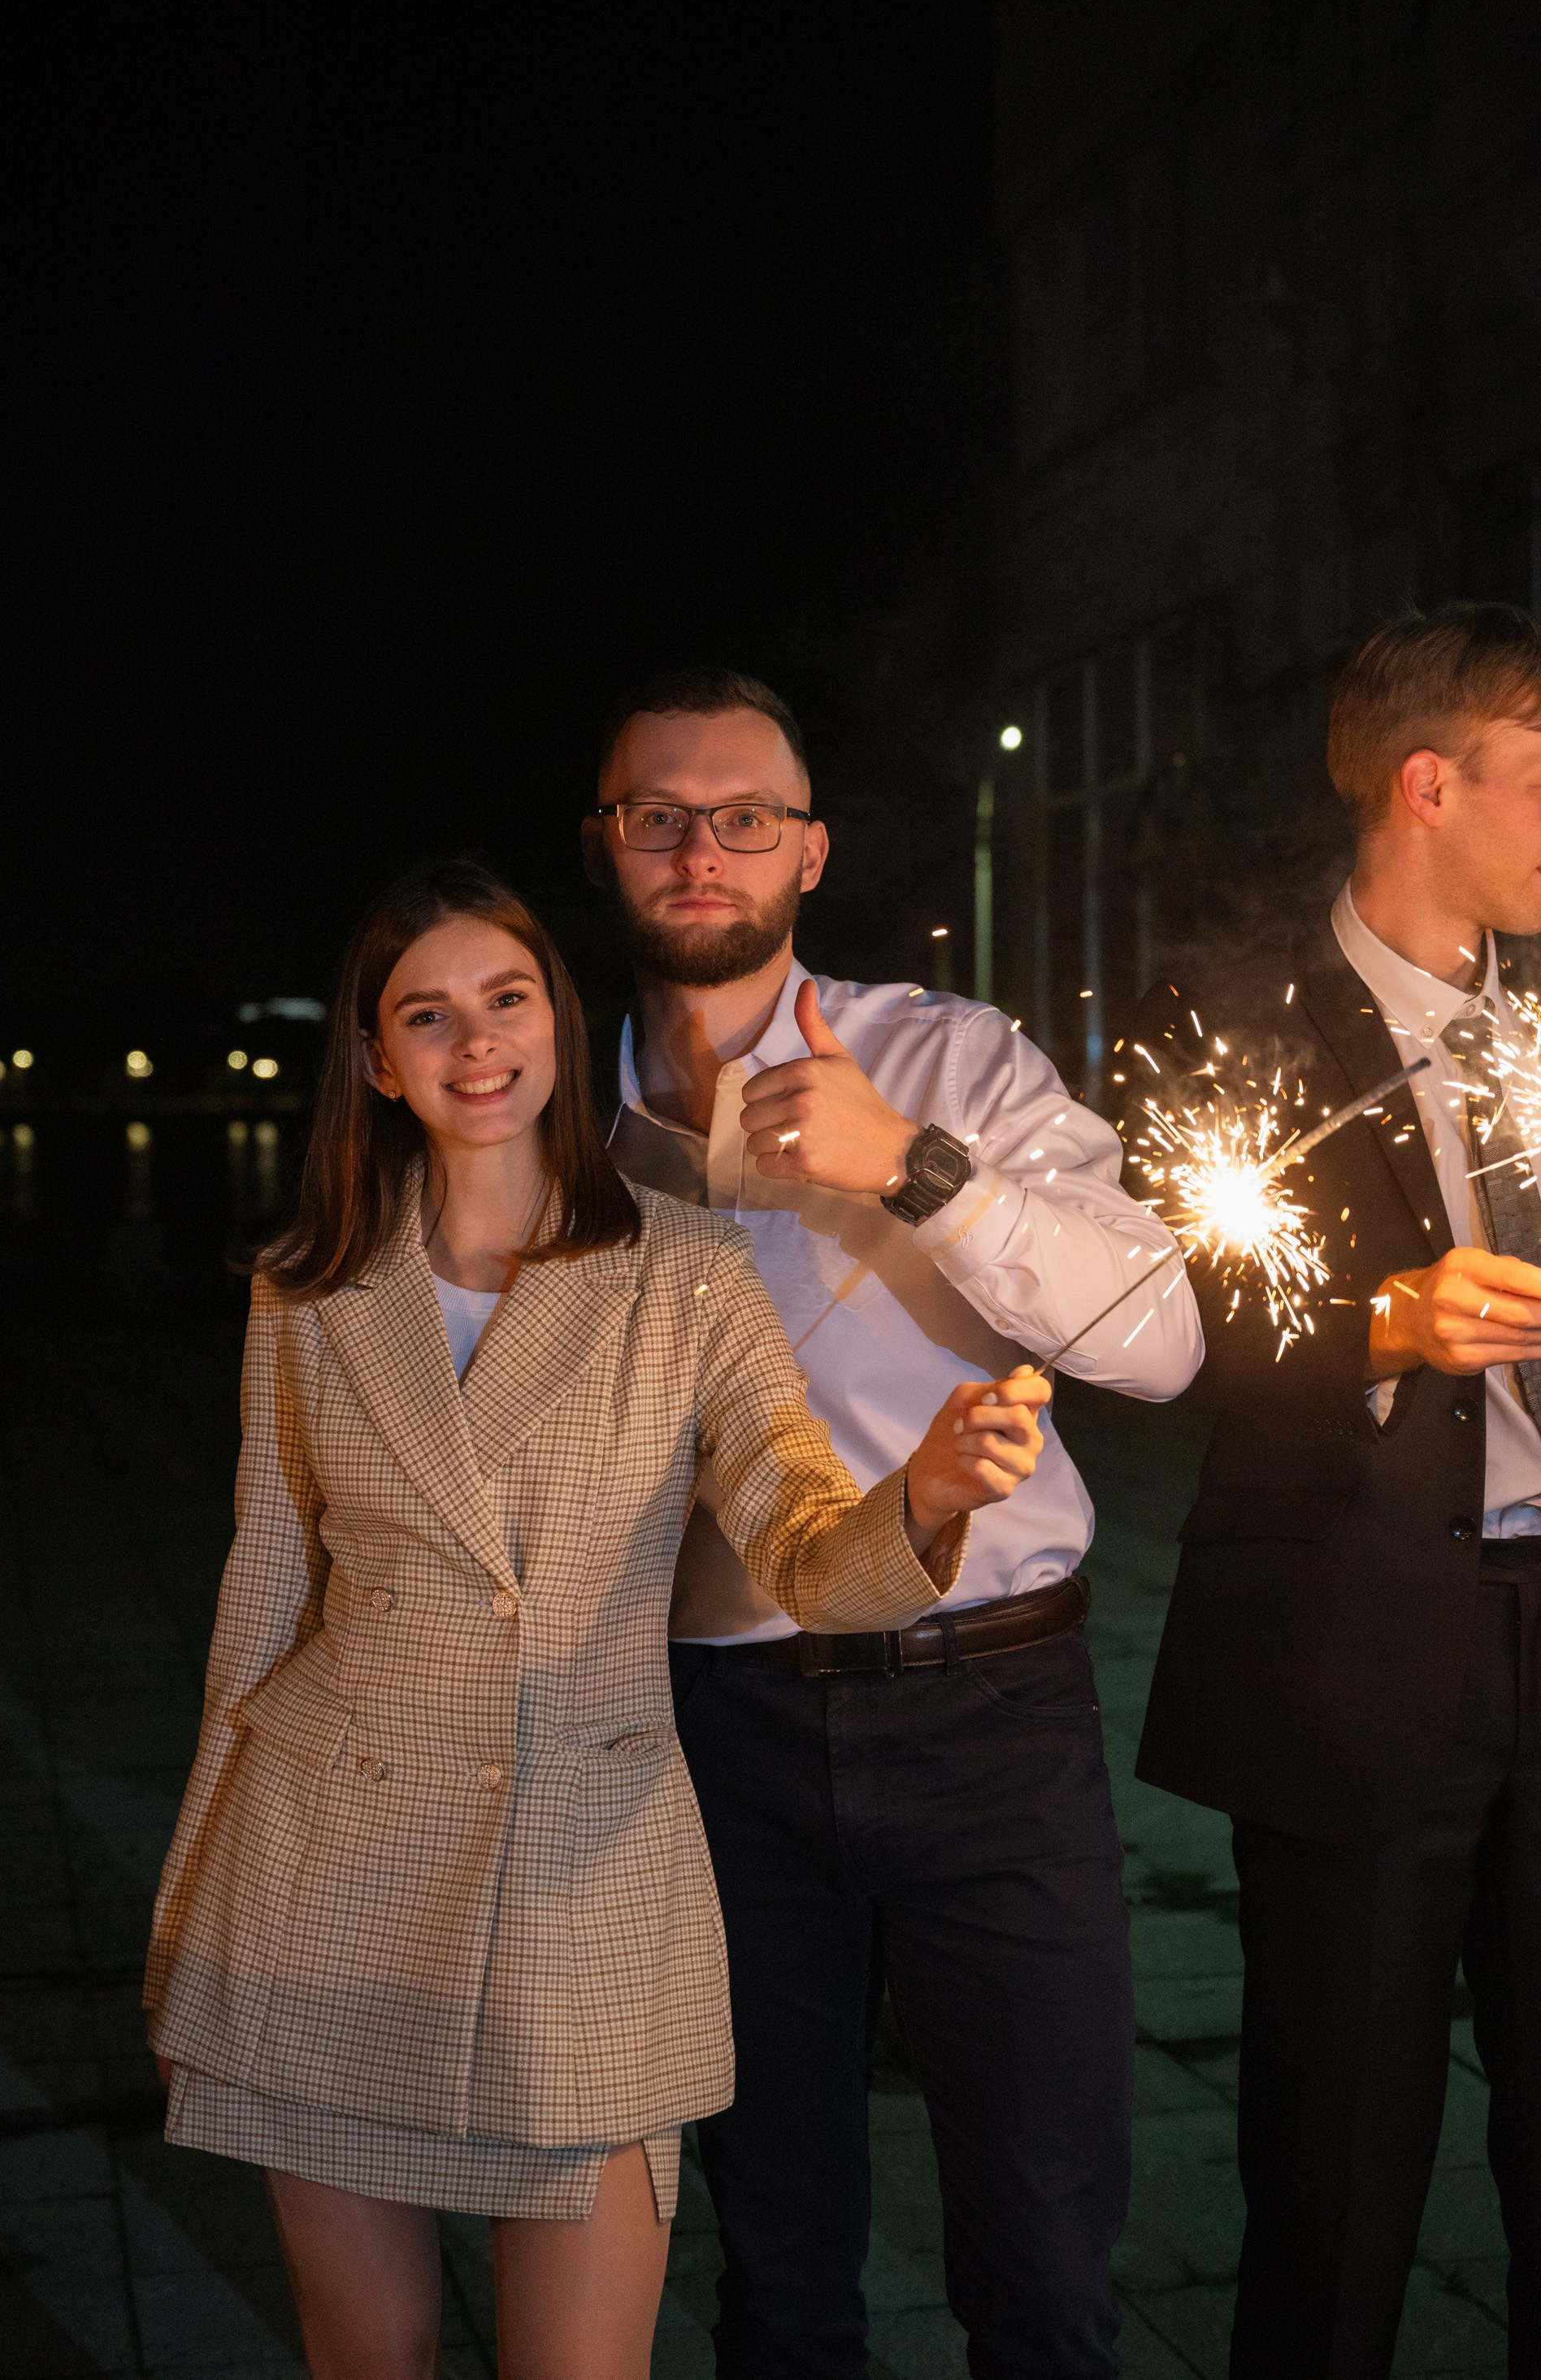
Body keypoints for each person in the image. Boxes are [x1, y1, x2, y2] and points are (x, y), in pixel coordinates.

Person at [143, 858, 1048, 2380]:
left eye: (505, 999)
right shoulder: (309, 1288)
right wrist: (186, 1932)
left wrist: (933, 1494)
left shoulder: (682, 1270)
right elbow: (260, 1602)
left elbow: (807, 1550)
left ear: (559, 1025)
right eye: (425, 1014)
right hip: (317, 1883)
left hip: (584, 1881)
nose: (473, 1040)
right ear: (375, 1060)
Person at [585, 669, 1205, 2378]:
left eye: (745, 817)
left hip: (985, 1712)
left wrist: (913, 1163)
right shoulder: (555, 1115)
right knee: (775, 2268)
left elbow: (1162, 1338)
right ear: (607, 846)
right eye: (659, 814)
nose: (701, 847)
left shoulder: (945, 1055)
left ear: (810, 851)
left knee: (1043, 2264)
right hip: (712, 1739)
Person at [1127, 602, 1541, 2377]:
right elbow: (1170, 1315)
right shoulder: (1228, 1018)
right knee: (1336, 2162)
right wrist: (1384, 1317)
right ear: (1428, 782)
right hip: (1356, 1646)